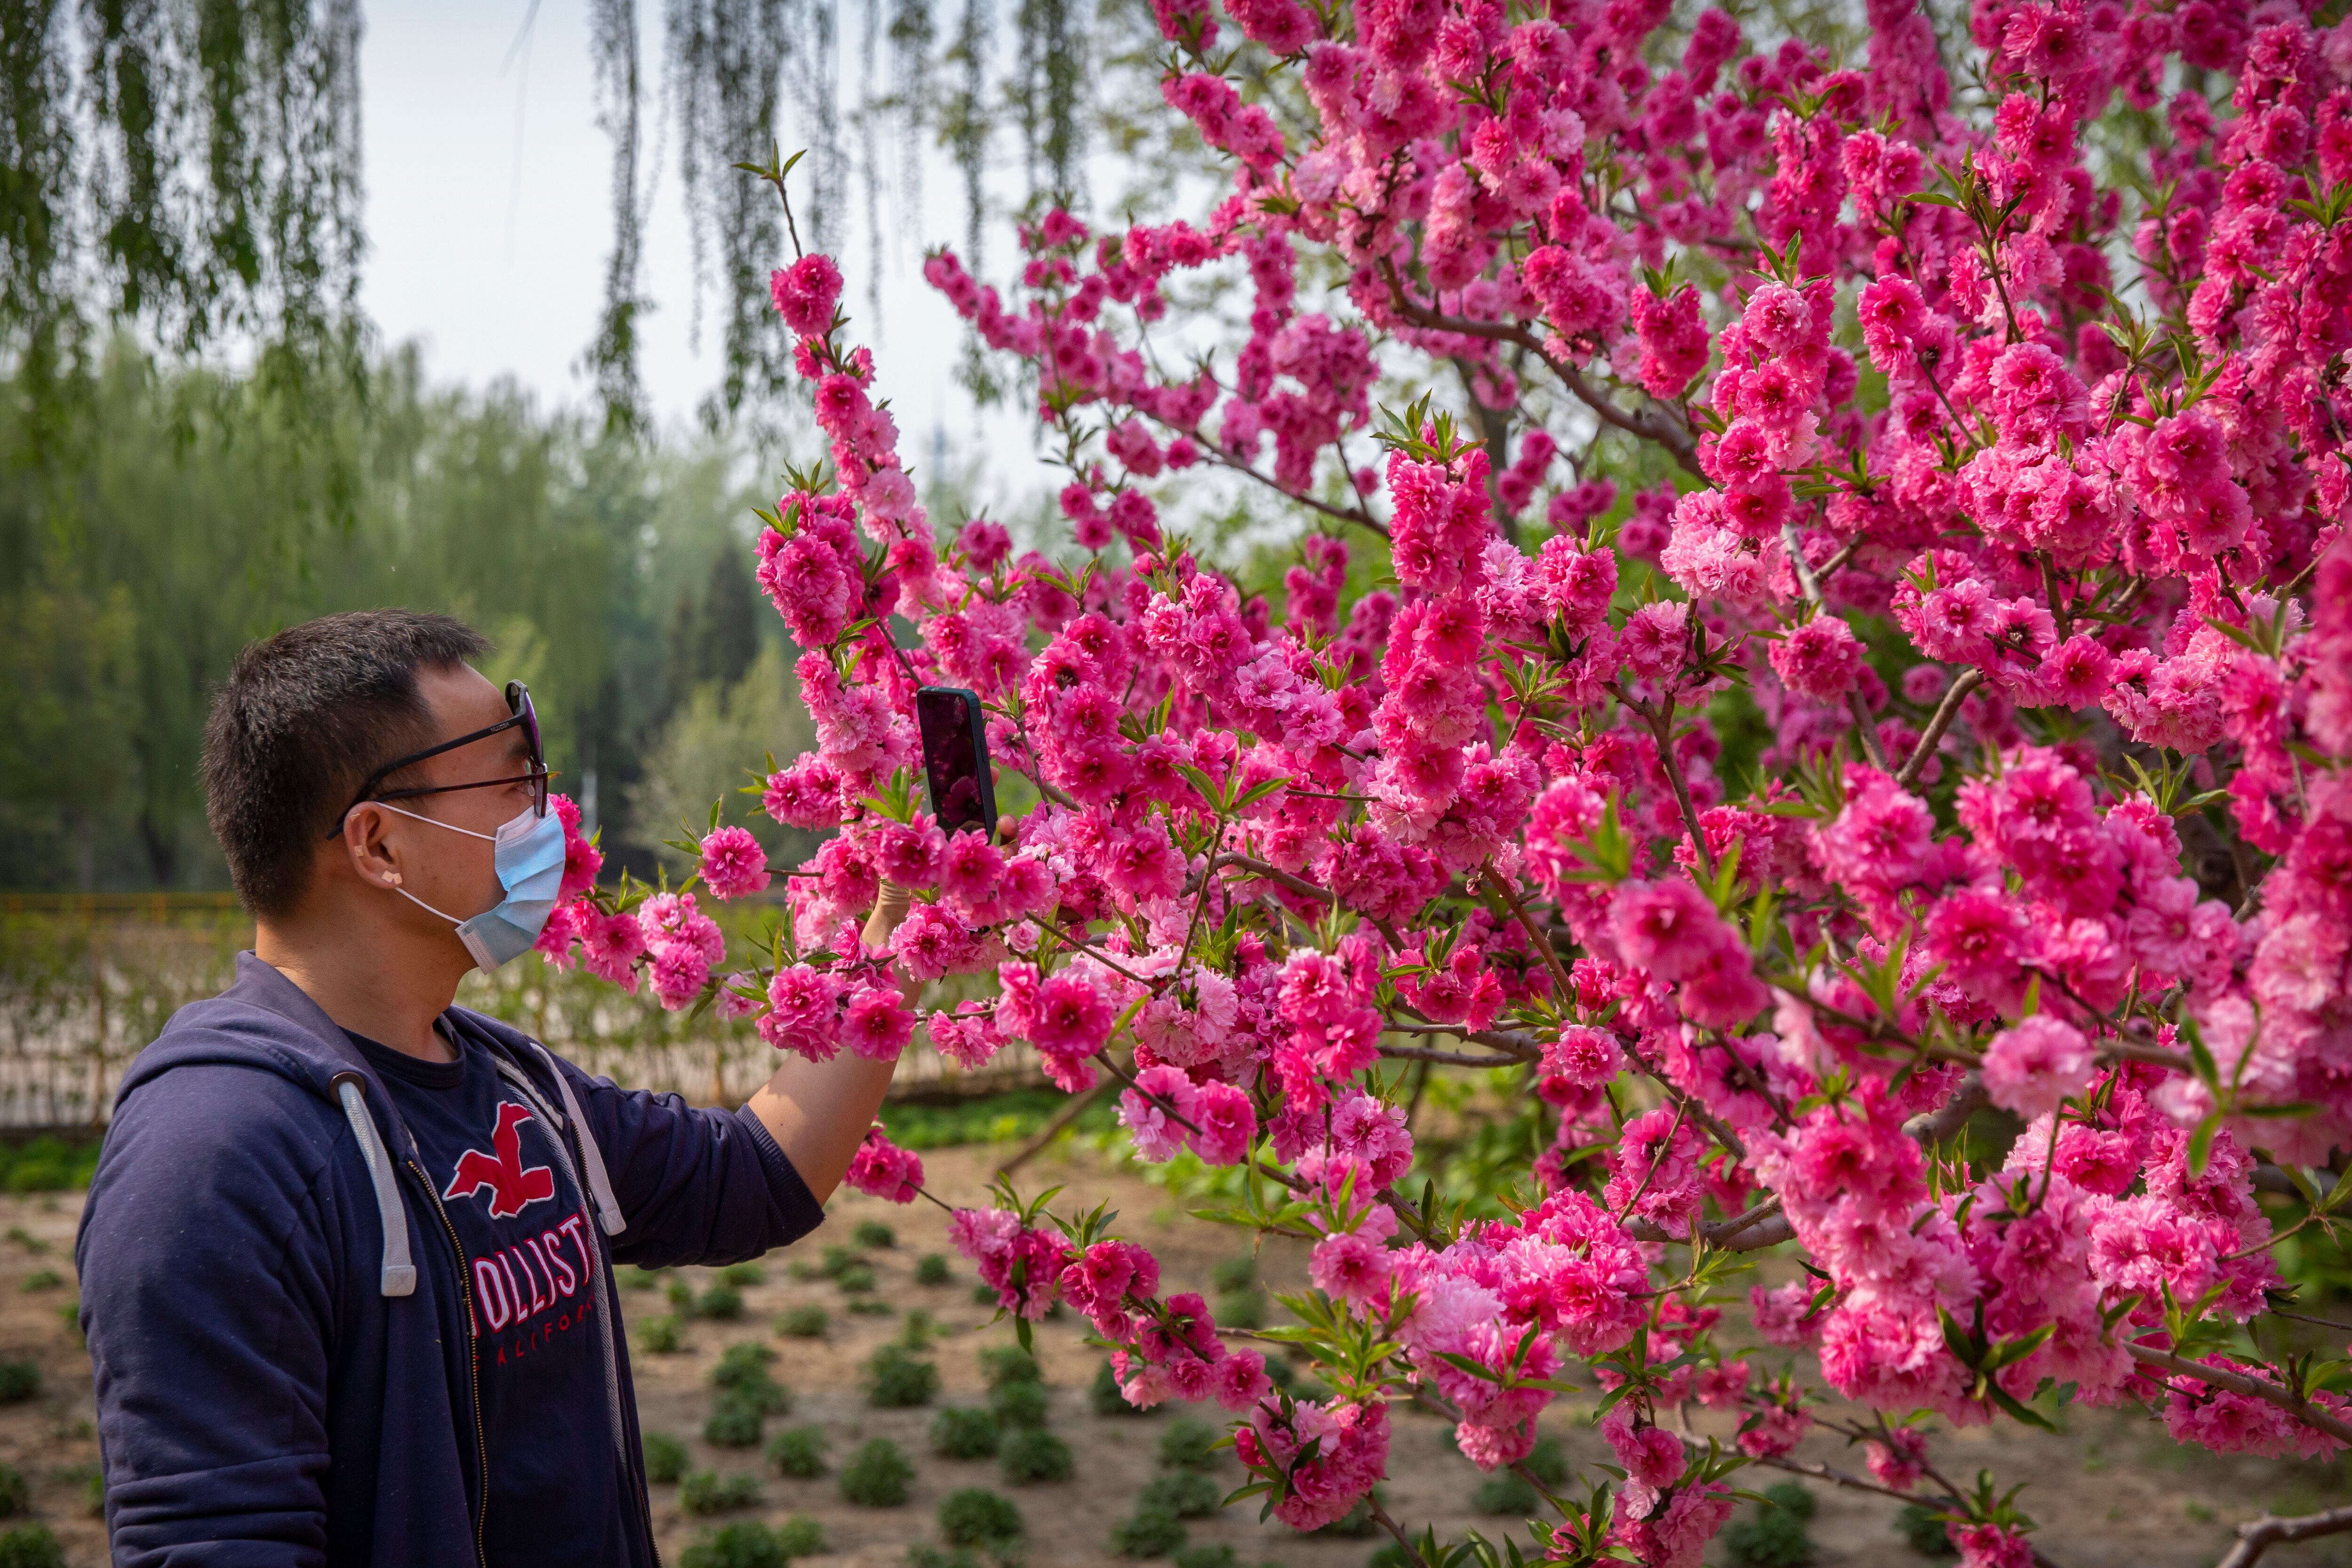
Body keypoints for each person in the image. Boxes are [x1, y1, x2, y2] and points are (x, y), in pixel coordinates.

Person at [76, 610, 908, 1567]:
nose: (545, 817)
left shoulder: (510, 1084)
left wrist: (899, 924)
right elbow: (220, 1542)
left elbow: (750, 1176)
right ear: (378, 844)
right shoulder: (214, 1159)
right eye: (513, 783)